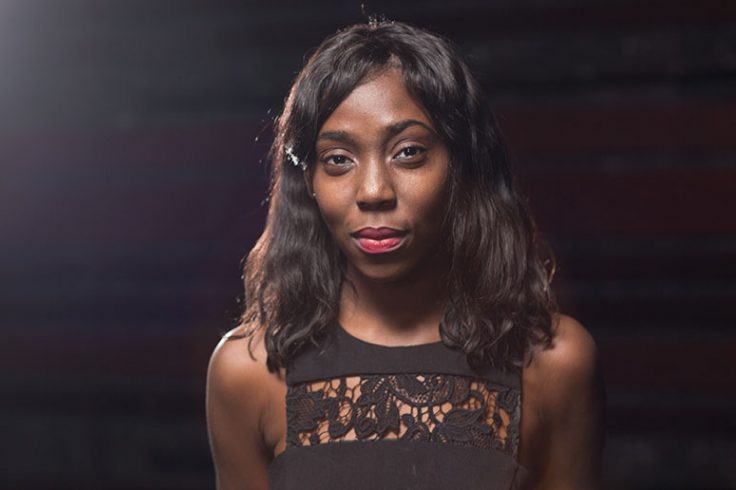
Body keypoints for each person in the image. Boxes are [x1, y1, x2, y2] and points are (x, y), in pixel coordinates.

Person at [205, 20, 604, 490]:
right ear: (308, 179)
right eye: (338, 159)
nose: (374, 191)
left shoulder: (556, 364)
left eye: (408, 152)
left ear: (461, 164)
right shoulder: (246, 373)